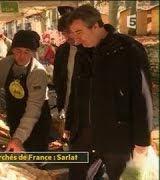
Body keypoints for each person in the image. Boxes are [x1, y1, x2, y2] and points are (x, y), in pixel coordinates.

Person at [65, 5, 153, 180]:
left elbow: (142, 95)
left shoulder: (127, 49)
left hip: (117, 136)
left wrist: (143, 139)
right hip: (83, 135)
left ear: (96, 26)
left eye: (79, 32)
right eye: (73, 33)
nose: (76, 39)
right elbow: (76, 91)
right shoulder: (81, 53)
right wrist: (70, 124)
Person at [0, 30, 52, 152]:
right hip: (14, 115)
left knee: (35, 156)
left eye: (27, 52)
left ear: (33, 52)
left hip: (36, 120)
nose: (22, 56)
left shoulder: (37, 73)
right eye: (18, 51)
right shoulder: (4, 64)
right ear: (13, 50)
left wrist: (19, 138)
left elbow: (33, 108)